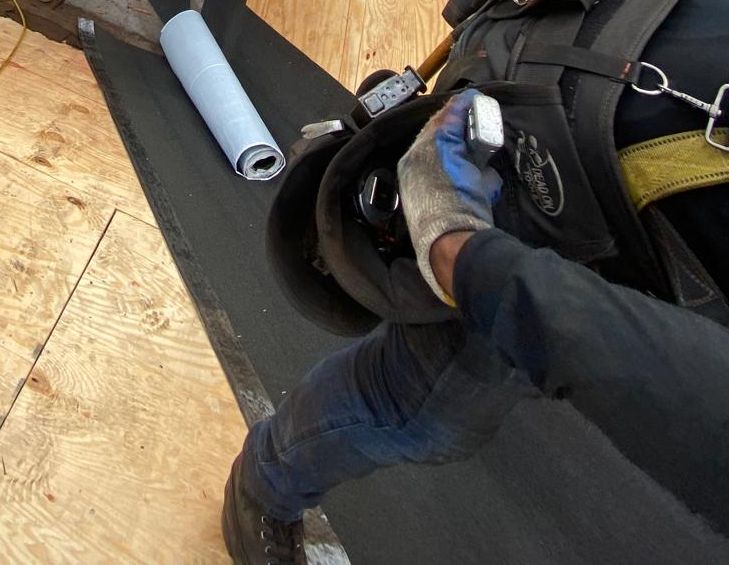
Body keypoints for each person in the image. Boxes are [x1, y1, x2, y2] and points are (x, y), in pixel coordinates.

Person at [221, 91, 729, 564]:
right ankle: (266, 481)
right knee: (417, 408)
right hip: (570, 180)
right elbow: (693, 400)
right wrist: (457, 250)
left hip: (618, 177)